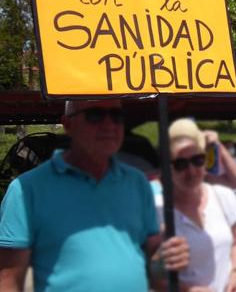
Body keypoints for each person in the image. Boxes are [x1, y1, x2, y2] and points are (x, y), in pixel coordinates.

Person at [0, 99, 189, 292]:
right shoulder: (25, 189)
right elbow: (8, 280)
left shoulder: (137, 182)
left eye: (117, 116)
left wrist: (167, 255)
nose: (109, 125)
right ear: (67, 125)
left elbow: (152, 256)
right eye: (95, 115)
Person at [151, 118, 236, 292]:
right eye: (180, 164)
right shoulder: (157, 209)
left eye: (198, 160)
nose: (192, 171)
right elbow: (150, 274)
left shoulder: (221, 195)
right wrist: (187, 289)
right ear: (166, 167)